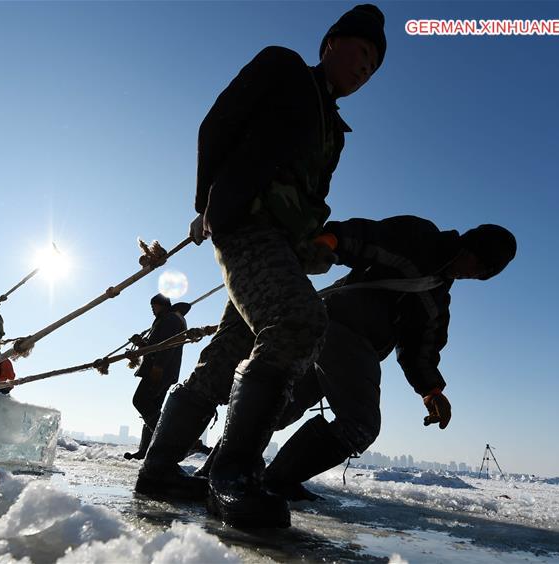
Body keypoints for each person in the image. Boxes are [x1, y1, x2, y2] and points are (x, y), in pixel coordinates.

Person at [135, 4, 387, 529]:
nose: (364, 69)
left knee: (228, 353)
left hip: (281, 245)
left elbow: (305, 196)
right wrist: (207, 202)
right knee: (298, 323)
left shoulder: (334, 132)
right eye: (361, 52)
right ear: (330, 43)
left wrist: (310, 245)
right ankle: (233, 474)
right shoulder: (284, 68)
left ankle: (159, 469)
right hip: (244, 225)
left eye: (373, 66)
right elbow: (218, 123)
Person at [259, 217, 517, 501]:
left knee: (280, 404)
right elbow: (368, 237)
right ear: (471, 246)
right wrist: (332, 240)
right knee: (361, 424)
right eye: (479, 264)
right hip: (344, 329)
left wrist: (431, 391)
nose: (474, 273)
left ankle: (226, 468)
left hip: (339, 339)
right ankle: (276, 480)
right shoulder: (421, 238)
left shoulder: (438, 302)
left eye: (483, 273)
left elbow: (420, 350)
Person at [124, 294, 191, 460]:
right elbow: (155, 346)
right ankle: (145, 451)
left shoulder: (170, 320)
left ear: (162, 305)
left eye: (154, 306)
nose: (152, 310)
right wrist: (141, 344)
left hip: (159, 371)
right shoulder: (169, 319)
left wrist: (158, 367)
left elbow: (166, 346)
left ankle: (169, 441)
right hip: (164, 371)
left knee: (140, 401)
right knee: (151, 408)